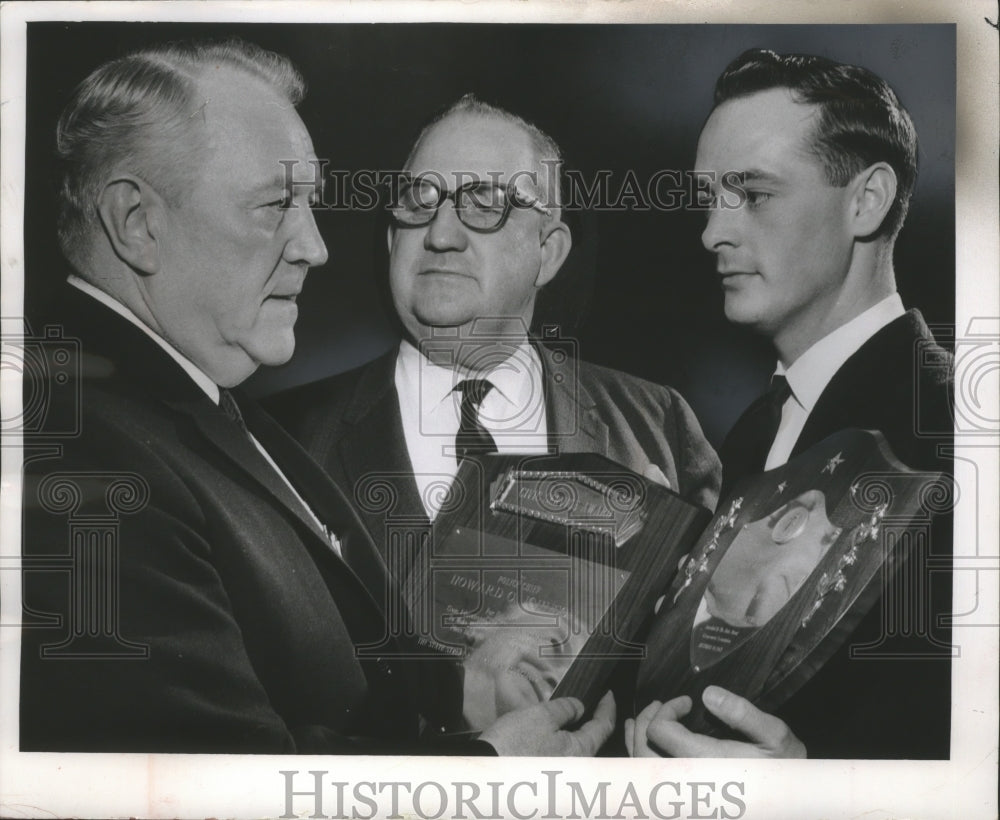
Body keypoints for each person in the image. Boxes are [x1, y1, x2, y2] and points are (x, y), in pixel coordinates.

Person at [18, 39, 615, 756]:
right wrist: (491, 769)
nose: (315, 246)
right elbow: (210, 778)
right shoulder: (77, 449)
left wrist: (462, 692)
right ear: (137, 223)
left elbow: (307, 663)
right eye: (276, 205)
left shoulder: (206, 406)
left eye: (311, 204)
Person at [630, 49, 953, 759]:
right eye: (710, 197)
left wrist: (817, 790)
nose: (713, 232)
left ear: (865, 201)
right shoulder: (753, 432)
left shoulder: (959, 432)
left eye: (754, 194)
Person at [269, 94, 720, 558]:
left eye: (485, 204)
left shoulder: (657, 426)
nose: (440, 235)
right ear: (391, 239)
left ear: (548, 252)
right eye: (418, 203)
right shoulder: (280, 439)